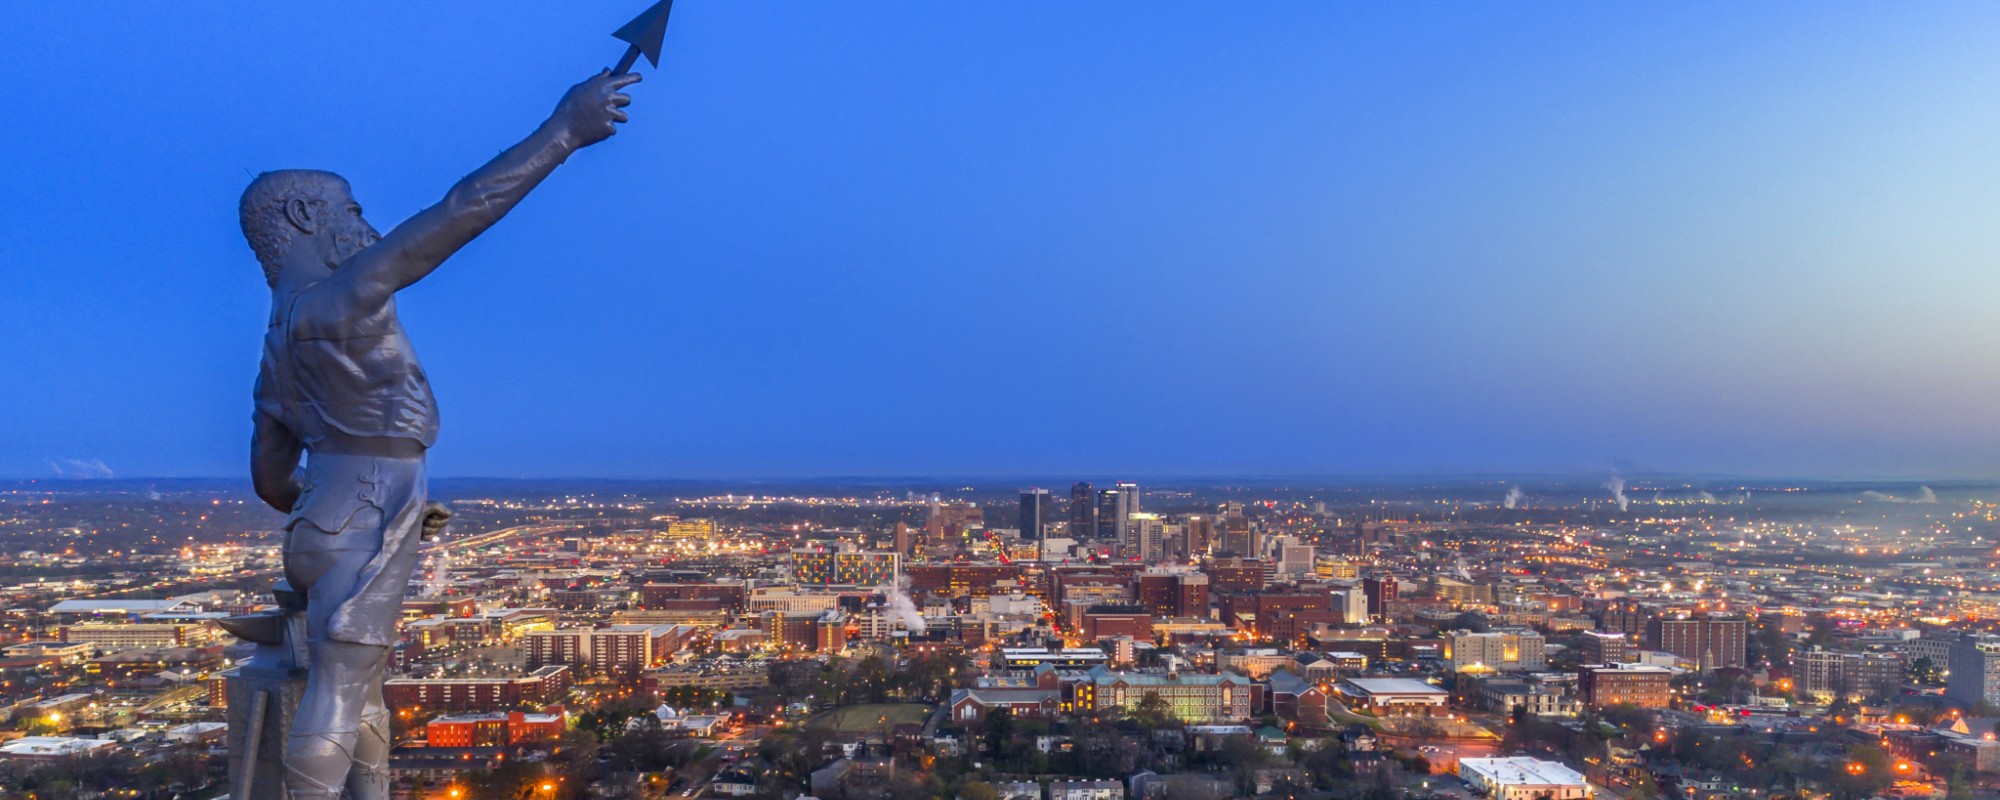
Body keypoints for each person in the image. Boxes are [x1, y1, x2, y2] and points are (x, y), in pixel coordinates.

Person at [242, 69, 640, 800]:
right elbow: (459, 214)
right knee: (338, 688)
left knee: (361, 688)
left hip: (317, 519)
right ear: (303, 214)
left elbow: (271, 477)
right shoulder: (344, 298)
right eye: (352, 210)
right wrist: (563, 132)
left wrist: (335, 505)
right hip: (368, 508)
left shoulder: (276, 344)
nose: (366, 227)